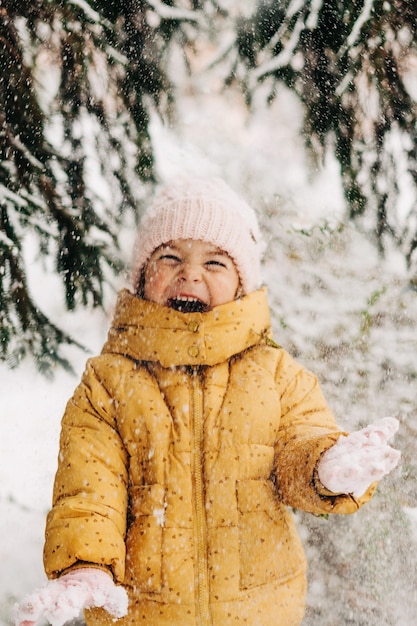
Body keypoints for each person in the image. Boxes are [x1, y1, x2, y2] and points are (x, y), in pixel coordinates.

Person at [14, 177, 401, 626]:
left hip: (260, 612)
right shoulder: (108, 383)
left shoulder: (275, 373)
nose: (190, 273)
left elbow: (302, 443)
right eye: (170, 257)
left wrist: (325, 466)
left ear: (241, 285)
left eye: (214, 262)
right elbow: (88, 490)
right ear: (142, 277)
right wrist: (85, 566)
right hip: (142, 614)